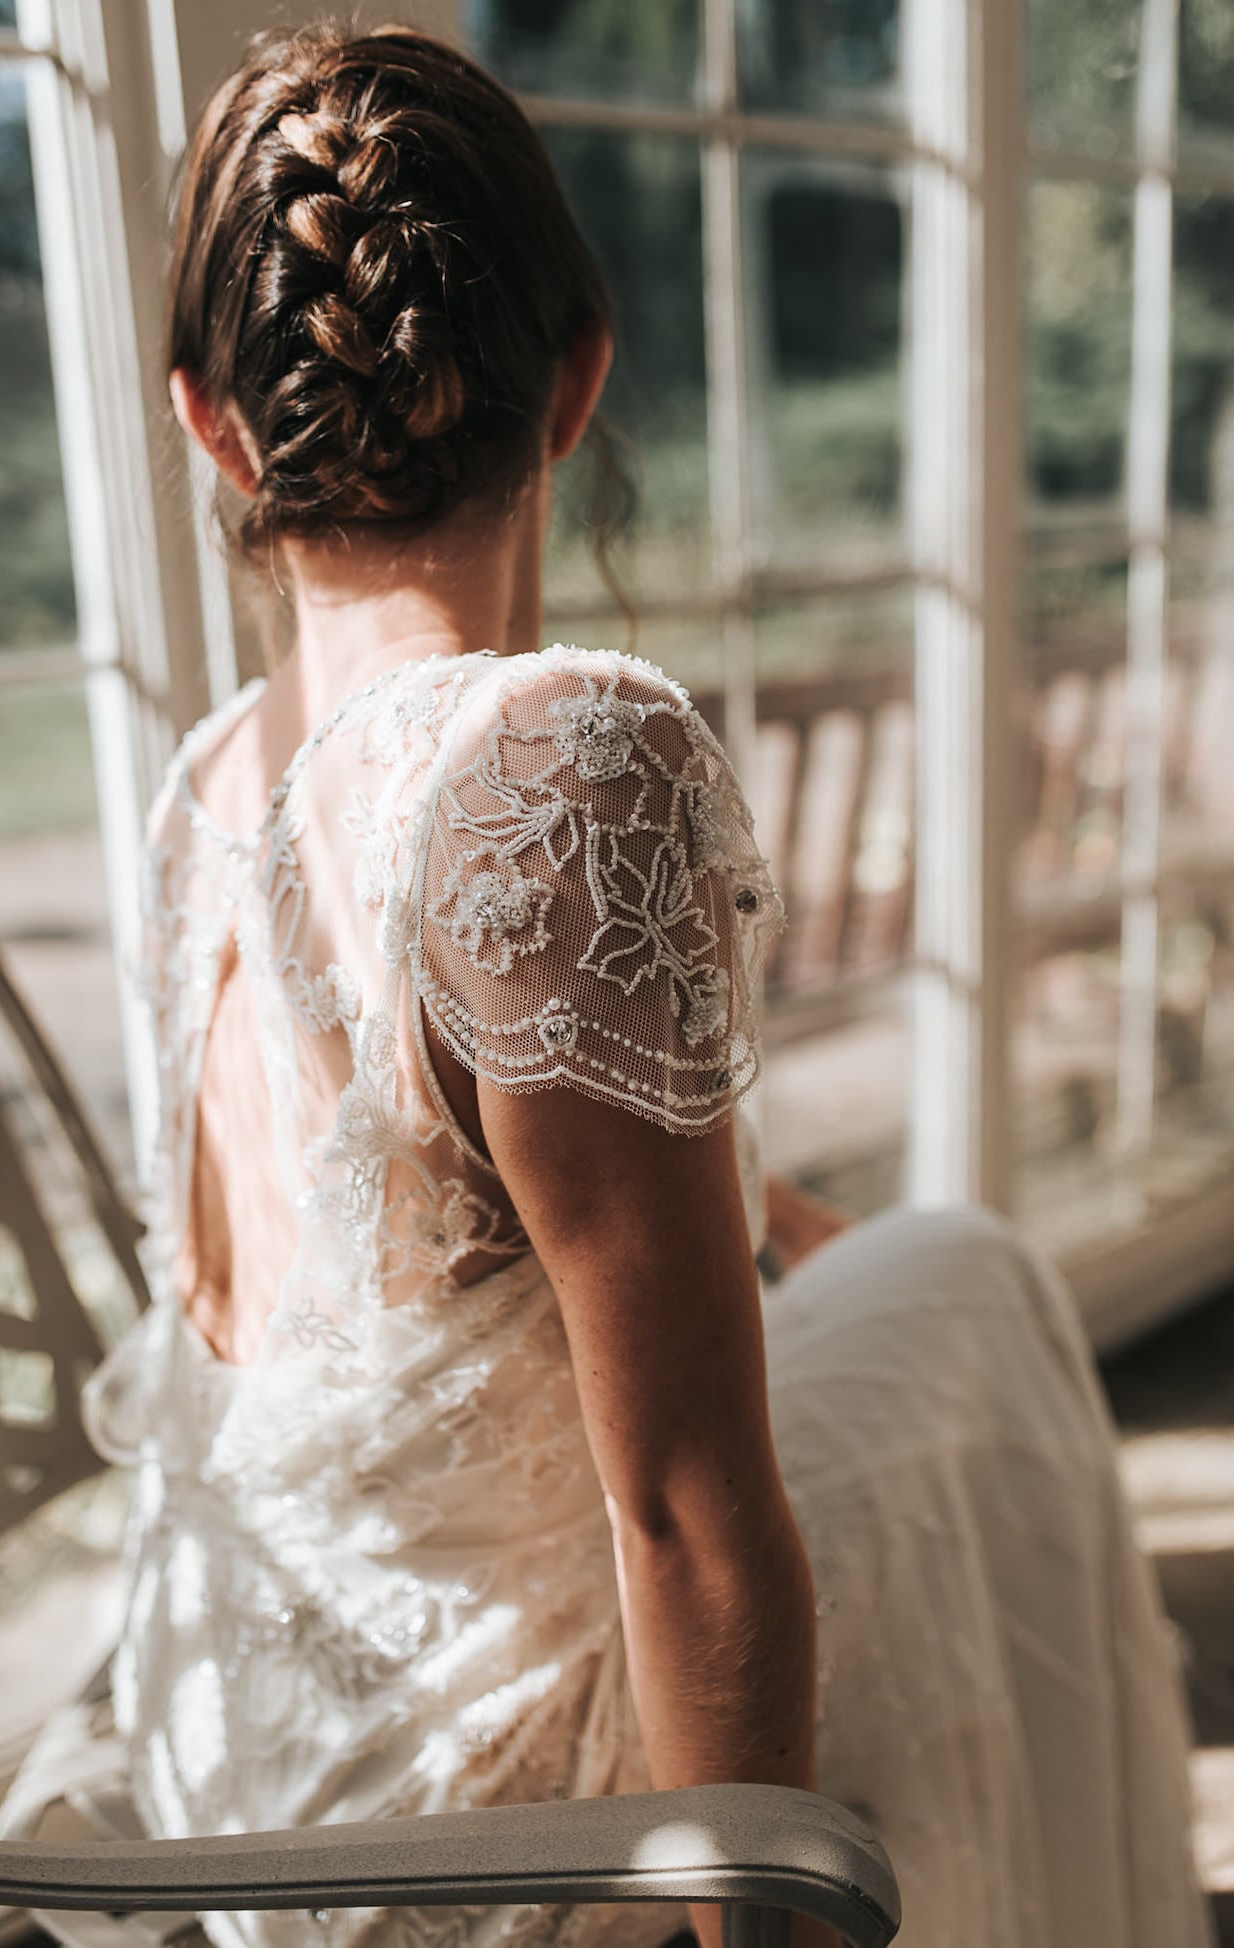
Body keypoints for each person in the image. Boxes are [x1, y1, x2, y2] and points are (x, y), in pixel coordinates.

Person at [82, 21, 1214, 1948]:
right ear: (580, 384)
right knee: (980, 1280)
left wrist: (766, 1221)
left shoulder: (212, 778)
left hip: (242, 1760)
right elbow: (686, 1523)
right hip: (476, 1825)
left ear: (207, 423)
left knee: (890, 1276)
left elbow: (424, 1221)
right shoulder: (552, 765)